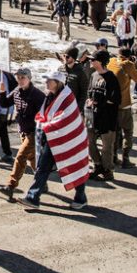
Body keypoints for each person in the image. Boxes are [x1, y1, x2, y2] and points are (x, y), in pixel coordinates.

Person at [16, 72, 90, 210]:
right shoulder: (50, 96)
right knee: (43, 167)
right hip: (53, 137)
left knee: (73, 166)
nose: (46, 83)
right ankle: (33, 197)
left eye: (49, 80)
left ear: (58, 82)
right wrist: (41, 121)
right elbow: (44, 114)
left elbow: (65, 118)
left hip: (68, 139)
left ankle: (81, 197)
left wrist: (46, 126)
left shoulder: (67, 97)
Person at [0, 68, 45, 198]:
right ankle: (42, 181)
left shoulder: (38, 95)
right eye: (18, 77)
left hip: (35, 132)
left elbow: (47, 113)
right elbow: (5, 103)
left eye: (23, 77)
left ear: (29, 78)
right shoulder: (17, 91)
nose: (20, 80)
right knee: (32, 158)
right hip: (23, 130)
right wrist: (2, 91)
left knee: (21, 156)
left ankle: (11, 185)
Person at [87, 51, 120, 181]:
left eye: (93, 59)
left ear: (100, 62)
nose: (91, 61)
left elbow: (116, 99)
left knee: (107, 146)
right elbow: (89, 92)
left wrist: (99, 101)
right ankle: (98, 165)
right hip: (91, 115)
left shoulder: (111, 78)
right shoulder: (93, 75)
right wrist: (90, 101)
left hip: (107, 117)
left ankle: (107, 170)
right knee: (89, 141)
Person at [107, 48, 137, 168]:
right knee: (128, 132)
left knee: (115, 132)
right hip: (124, 104)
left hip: (110, 104)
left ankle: (114, 157)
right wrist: (134, 63)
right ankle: (126, 159)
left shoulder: (111, 61)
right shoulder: (128, 64)